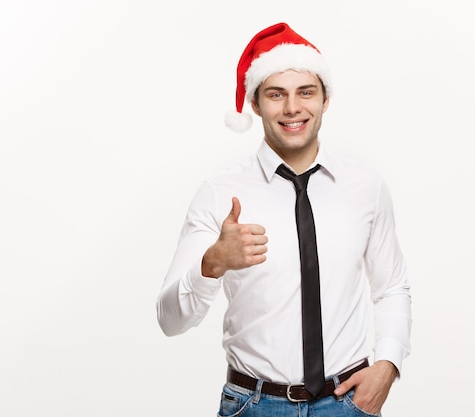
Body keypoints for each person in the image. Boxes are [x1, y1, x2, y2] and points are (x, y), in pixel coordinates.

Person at [156, 22, 411, 416]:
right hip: (254, 405)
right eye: (276, 94)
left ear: (325, 99)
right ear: (255, 104)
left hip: (348, 402)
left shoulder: (366, 188)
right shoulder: (219, 193)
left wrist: (387, 366)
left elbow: (391, 287)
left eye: (305, 92)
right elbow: (170, 321)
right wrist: (212, 263)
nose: (292, 108)